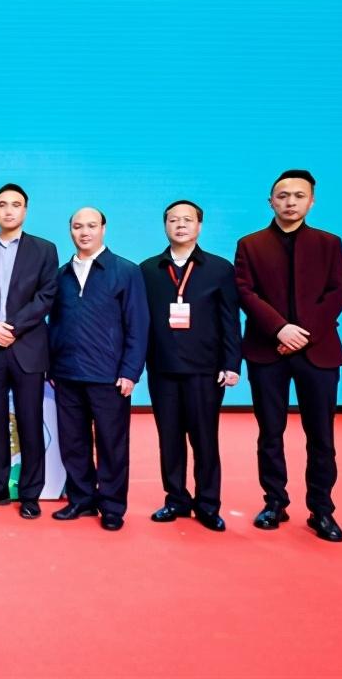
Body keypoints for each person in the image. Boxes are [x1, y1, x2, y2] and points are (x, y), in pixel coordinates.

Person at [235, 169, 342, 542]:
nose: (290, 202)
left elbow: (337, 293)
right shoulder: (250, 244)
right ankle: (274, 502)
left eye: (299, 196)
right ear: (270, 201)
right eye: (282, 196)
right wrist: (279, 329)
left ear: (311, 202)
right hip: (267, 350)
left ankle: (322, 510)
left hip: (318, 350)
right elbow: (245, 292)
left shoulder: (329, 243)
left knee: (321, 436)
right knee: (270, 432)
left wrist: (301, 335)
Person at [139, 200, 241, 532]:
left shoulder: (219, 269)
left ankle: (208, 504)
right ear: (165, 226)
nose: (180, 225)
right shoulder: (148, 270)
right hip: (162, 369)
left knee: (205, 440)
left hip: (205, 371)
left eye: (187, 219)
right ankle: (176, 499)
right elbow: (139, 322)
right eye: (173, 220)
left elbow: (230, 320)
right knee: (169, 439)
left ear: (199, 226)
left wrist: (231, 363)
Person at [0, 183, 59, 518]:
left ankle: (30, 494)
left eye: (16, 204)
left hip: (27, 348)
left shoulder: (44, 250)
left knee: (30, 423)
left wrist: (12, 327)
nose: (8, 210)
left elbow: (46, 296)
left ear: (25, 210)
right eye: (2, 204)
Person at [48, 207, 148, 531]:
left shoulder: (126, 271)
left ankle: (113, 507)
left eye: (91, 226)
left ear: (104, 229)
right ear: (70, 231)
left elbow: (138, 325)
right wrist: (52, 367)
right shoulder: (61, 275)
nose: (84, 232)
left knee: (111, 444)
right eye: (78, 226)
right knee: (73, 443)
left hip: (109, 376)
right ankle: (81, 499)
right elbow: (53, 324)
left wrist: (130, 371)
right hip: (67, 374)